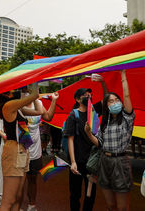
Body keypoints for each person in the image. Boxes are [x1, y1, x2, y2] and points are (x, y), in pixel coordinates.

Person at [85, 70, 134, 211]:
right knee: (111, 205)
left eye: (117, 100)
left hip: (120, 162)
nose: (115, 103)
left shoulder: (127, 119)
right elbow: (99, 143)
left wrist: (123, 74)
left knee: (122, 207)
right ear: (107, 106)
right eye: (111, 101)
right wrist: (88, 133)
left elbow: (127, 94)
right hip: (104, 162)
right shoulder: (104, 122)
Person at [63, 73, 107, 211]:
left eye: (90, 94)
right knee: (75, 193)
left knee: (90, 193)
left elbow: (107, 100)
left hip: (92, 161)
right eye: (85, 95)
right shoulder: (73, 115)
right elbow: (70, 138)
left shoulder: (93, 111)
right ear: (77, 99)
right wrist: (73, 161)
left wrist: (103, 83)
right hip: (78, 160)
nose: (89, 97)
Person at [0, 83, 42, 211]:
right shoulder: (8, 105)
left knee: (18, 196)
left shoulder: (17, 108)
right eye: (14, 87)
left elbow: (39, 111)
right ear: (6, 93)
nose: (18, 89)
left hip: (23, 149)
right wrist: (34, 82)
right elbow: (35, 94)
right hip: (14, 150)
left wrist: (36, 98)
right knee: (9, 200)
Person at [24, 91, 59, 211]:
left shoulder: (38, 103)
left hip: (35, 150)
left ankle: (31, 204)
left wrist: (54, 100)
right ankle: (15, 203)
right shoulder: (18, 105)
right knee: (19, 179)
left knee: (33, 178)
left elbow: (48, 117)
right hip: (21, 149)